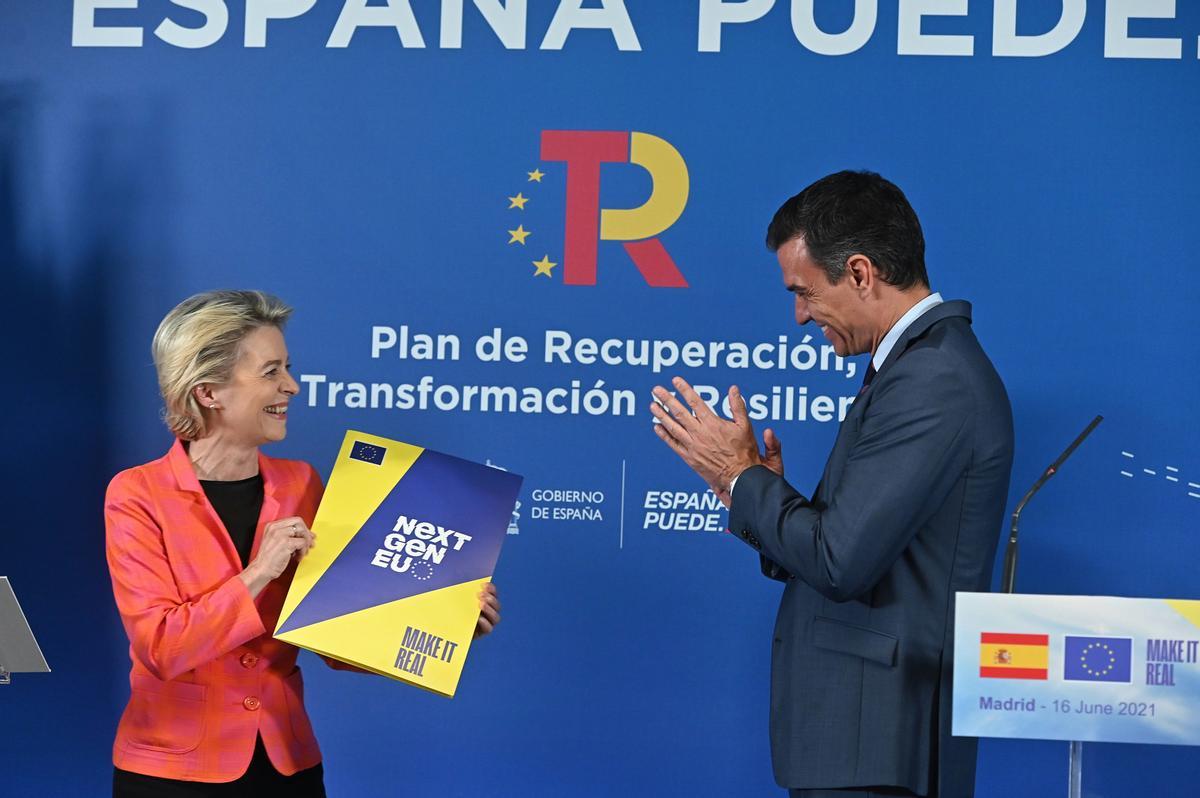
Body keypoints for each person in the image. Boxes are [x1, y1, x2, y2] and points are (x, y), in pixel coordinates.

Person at [650, 171, 1013, 798]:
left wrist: (738, 477)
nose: (798, 317)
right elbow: (846, 544)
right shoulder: (915, 369)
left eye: (805, 292)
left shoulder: (934, 378)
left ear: (861, 273)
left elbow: (840, 560)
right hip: (862, 747)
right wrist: (755, 492)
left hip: (879, 750)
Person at [105, 290, 502, 796]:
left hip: (287, 765)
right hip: (170, 771)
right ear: (209, 392)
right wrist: (259, 572)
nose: (291, 386)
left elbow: (336, 637)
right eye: (271, 372)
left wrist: (444, 618)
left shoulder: (300, 483)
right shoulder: (137, 494)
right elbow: (162, 648)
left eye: (288, 368)